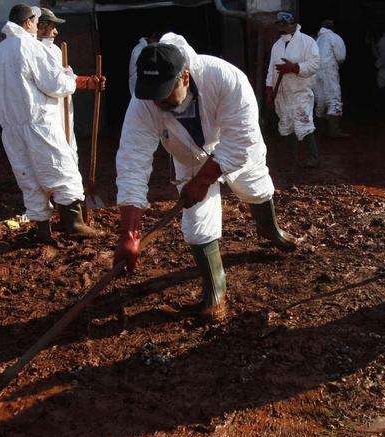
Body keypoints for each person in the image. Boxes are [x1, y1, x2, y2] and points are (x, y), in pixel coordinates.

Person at [114, 33, 298, 323]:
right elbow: (132, 162)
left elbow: (241, 139)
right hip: (189, 158)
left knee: (256, 188)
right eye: (153, 95)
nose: (158, 103)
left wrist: (204, 179)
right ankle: (215, 292)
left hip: (234, 147)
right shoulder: (144, 103)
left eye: (165, 93)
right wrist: (130, 233)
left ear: (184, 77)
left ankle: (271, 231)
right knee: (197, 224)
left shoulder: (225, 78)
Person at [0, 4, 102, 242]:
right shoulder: (29, 46)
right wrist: (72, 81)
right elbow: (54, 84)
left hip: (10, 127)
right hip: (38, 122)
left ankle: (42, 230)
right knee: (62, 170)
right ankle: (74, 224)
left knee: (28, 177)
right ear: (29, 22)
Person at [266, 11, 321, 168]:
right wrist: (269, 91)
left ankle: (313, 157)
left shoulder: (307, 42)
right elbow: (271, 70)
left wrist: (295, 67)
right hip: (282, 93)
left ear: (292, 24)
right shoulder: (277, 46)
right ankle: (292, 158)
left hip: (300, 91)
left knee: (303, 121)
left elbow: (315, 64)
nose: (281, 28)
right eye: (279, 25)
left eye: (284, 25)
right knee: (286, 123)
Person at [313, 18, 349, 138]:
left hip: (316, 73)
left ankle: (320, 130)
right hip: (329, 71)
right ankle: (334, 131)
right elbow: (340, 57)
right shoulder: (334, 37)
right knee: (334, 99)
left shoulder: (317, 39)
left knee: (320, 101)